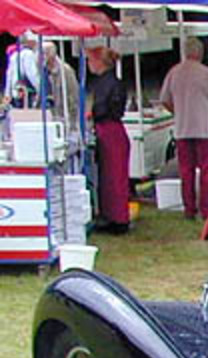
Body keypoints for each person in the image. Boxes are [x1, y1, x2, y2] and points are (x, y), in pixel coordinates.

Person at [160, 37, 208, 221]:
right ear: (200, 53)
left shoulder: (174, 73)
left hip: (182, 127)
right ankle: (206, 209)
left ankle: (189, 208)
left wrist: (178, 111)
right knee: (206, 170)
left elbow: (164, 99)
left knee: (186, 170)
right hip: (204, 128)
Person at [86, 47, 131, 233]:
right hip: (112, 130)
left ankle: (118, 218)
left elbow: (105, 108)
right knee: (112, 176)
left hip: (110, 130)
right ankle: (114, 215)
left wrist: (92, 114)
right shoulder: (113, 82)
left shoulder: (106, 83)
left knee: (113, 176)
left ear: (98, 62)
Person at [43, 45, 80, 136]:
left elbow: (74, 96)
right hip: (49, 115)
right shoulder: (44, 70)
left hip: (63, 116)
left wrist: (72, 120)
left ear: (50, 55)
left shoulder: (66, 71)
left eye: (42, 54)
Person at [3, 33, 41, 110]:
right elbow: (32, 74)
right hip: (27, 93)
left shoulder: (14, 55)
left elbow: (9, 76)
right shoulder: (29, 54)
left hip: (16, 92)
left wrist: (7, 93)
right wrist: (40, 88)